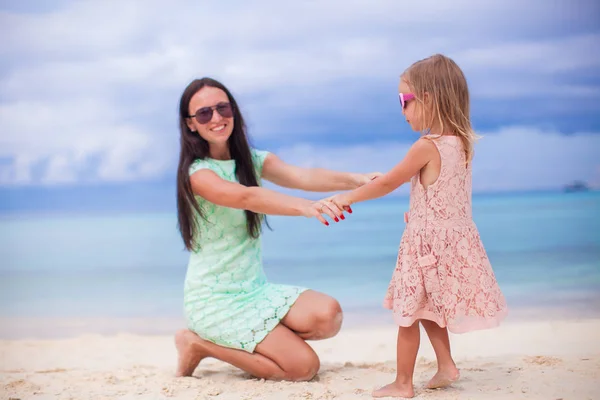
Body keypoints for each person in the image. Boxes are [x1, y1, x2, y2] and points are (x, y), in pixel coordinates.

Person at [173, 77, 381, 382]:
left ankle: (263, 338)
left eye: (222, 108)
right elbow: (247, 196)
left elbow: (302, 176)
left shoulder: (253, 161)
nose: (216, 118)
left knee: (328, 315)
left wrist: (357, 179)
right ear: (191, 124)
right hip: (213, 300)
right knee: (302, 368)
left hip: (254, 291)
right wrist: (308, 208)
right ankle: (198, 343)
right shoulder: (199, 174)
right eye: (204, 113)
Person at [325, 54, 508, 398]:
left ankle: (403, 383)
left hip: (425, 248)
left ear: (428, 98)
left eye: (404, 101)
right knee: (428, 308)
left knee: (407, 314)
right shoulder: (462, 144)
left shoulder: (426, 146)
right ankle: (446, 365)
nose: (402, 110)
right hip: (448, 244)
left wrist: (347, 197)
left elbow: (385, 185)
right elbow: (441, 194)